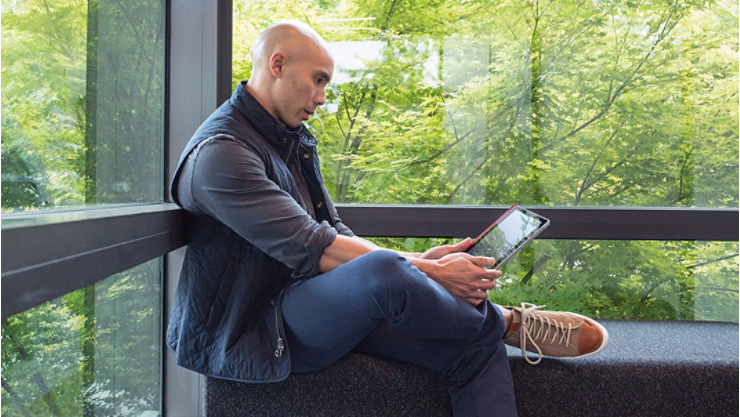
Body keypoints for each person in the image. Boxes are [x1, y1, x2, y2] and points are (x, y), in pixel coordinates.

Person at [166, 21, 609, 416]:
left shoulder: (290, 138)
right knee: (389, 273)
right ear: (277, 64)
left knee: (473, 346)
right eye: (317, 80)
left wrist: (417, 261)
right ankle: (510, 324)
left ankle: (489, 329)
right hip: (256, 325)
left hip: (307, 298)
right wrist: (429, 271)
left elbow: (334, 230)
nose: (321, 98)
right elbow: (314, 246)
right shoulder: (221, 155)